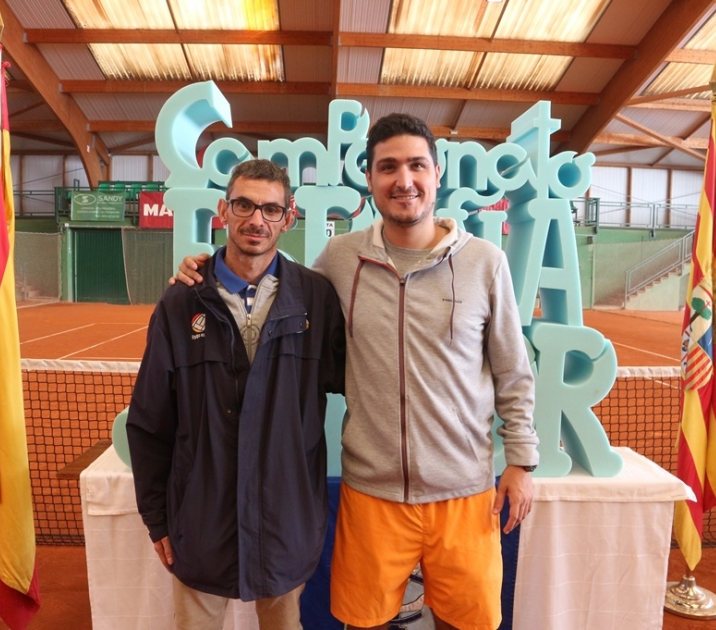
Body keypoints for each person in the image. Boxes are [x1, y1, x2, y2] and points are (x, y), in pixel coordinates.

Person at [177, 114, 539, 630]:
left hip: (465, 493)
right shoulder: (341, 260)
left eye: (416, 165)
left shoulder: (486, 263)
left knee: (469, 625)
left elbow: (513, 369)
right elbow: (273, 286)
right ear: (370, 179)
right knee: (364, 624)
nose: (403, 180)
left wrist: (522, 462)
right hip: (371, 494)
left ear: (437, 174)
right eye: (387, 167)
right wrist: (205, 271)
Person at [127, 159, 346, 630]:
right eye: (245, 204)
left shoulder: (317, 299)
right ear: (224, 210)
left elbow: (361, 382)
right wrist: (158, 520)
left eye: (271, 209)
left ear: (288, 219)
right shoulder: (181, 301)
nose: (256, 220)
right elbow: (150, 420)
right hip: (201, 526)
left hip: (286, 525)